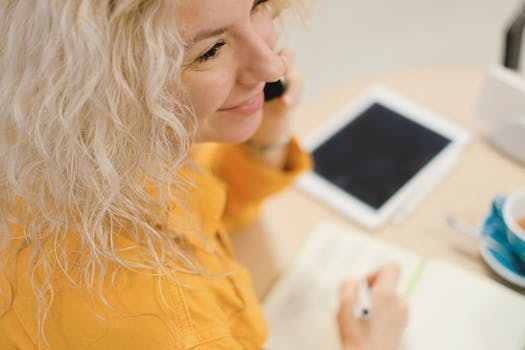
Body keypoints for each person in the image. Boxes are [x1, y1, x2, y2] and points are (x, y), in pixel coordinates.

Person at [0, 0, 408, 349]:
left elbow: (209, 208)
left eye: (256, 6)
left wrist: (264, 138)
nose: (270, 67)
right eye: (211, 51)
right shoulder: (171, 322)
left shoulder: (82, 142)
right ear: (98, 85)